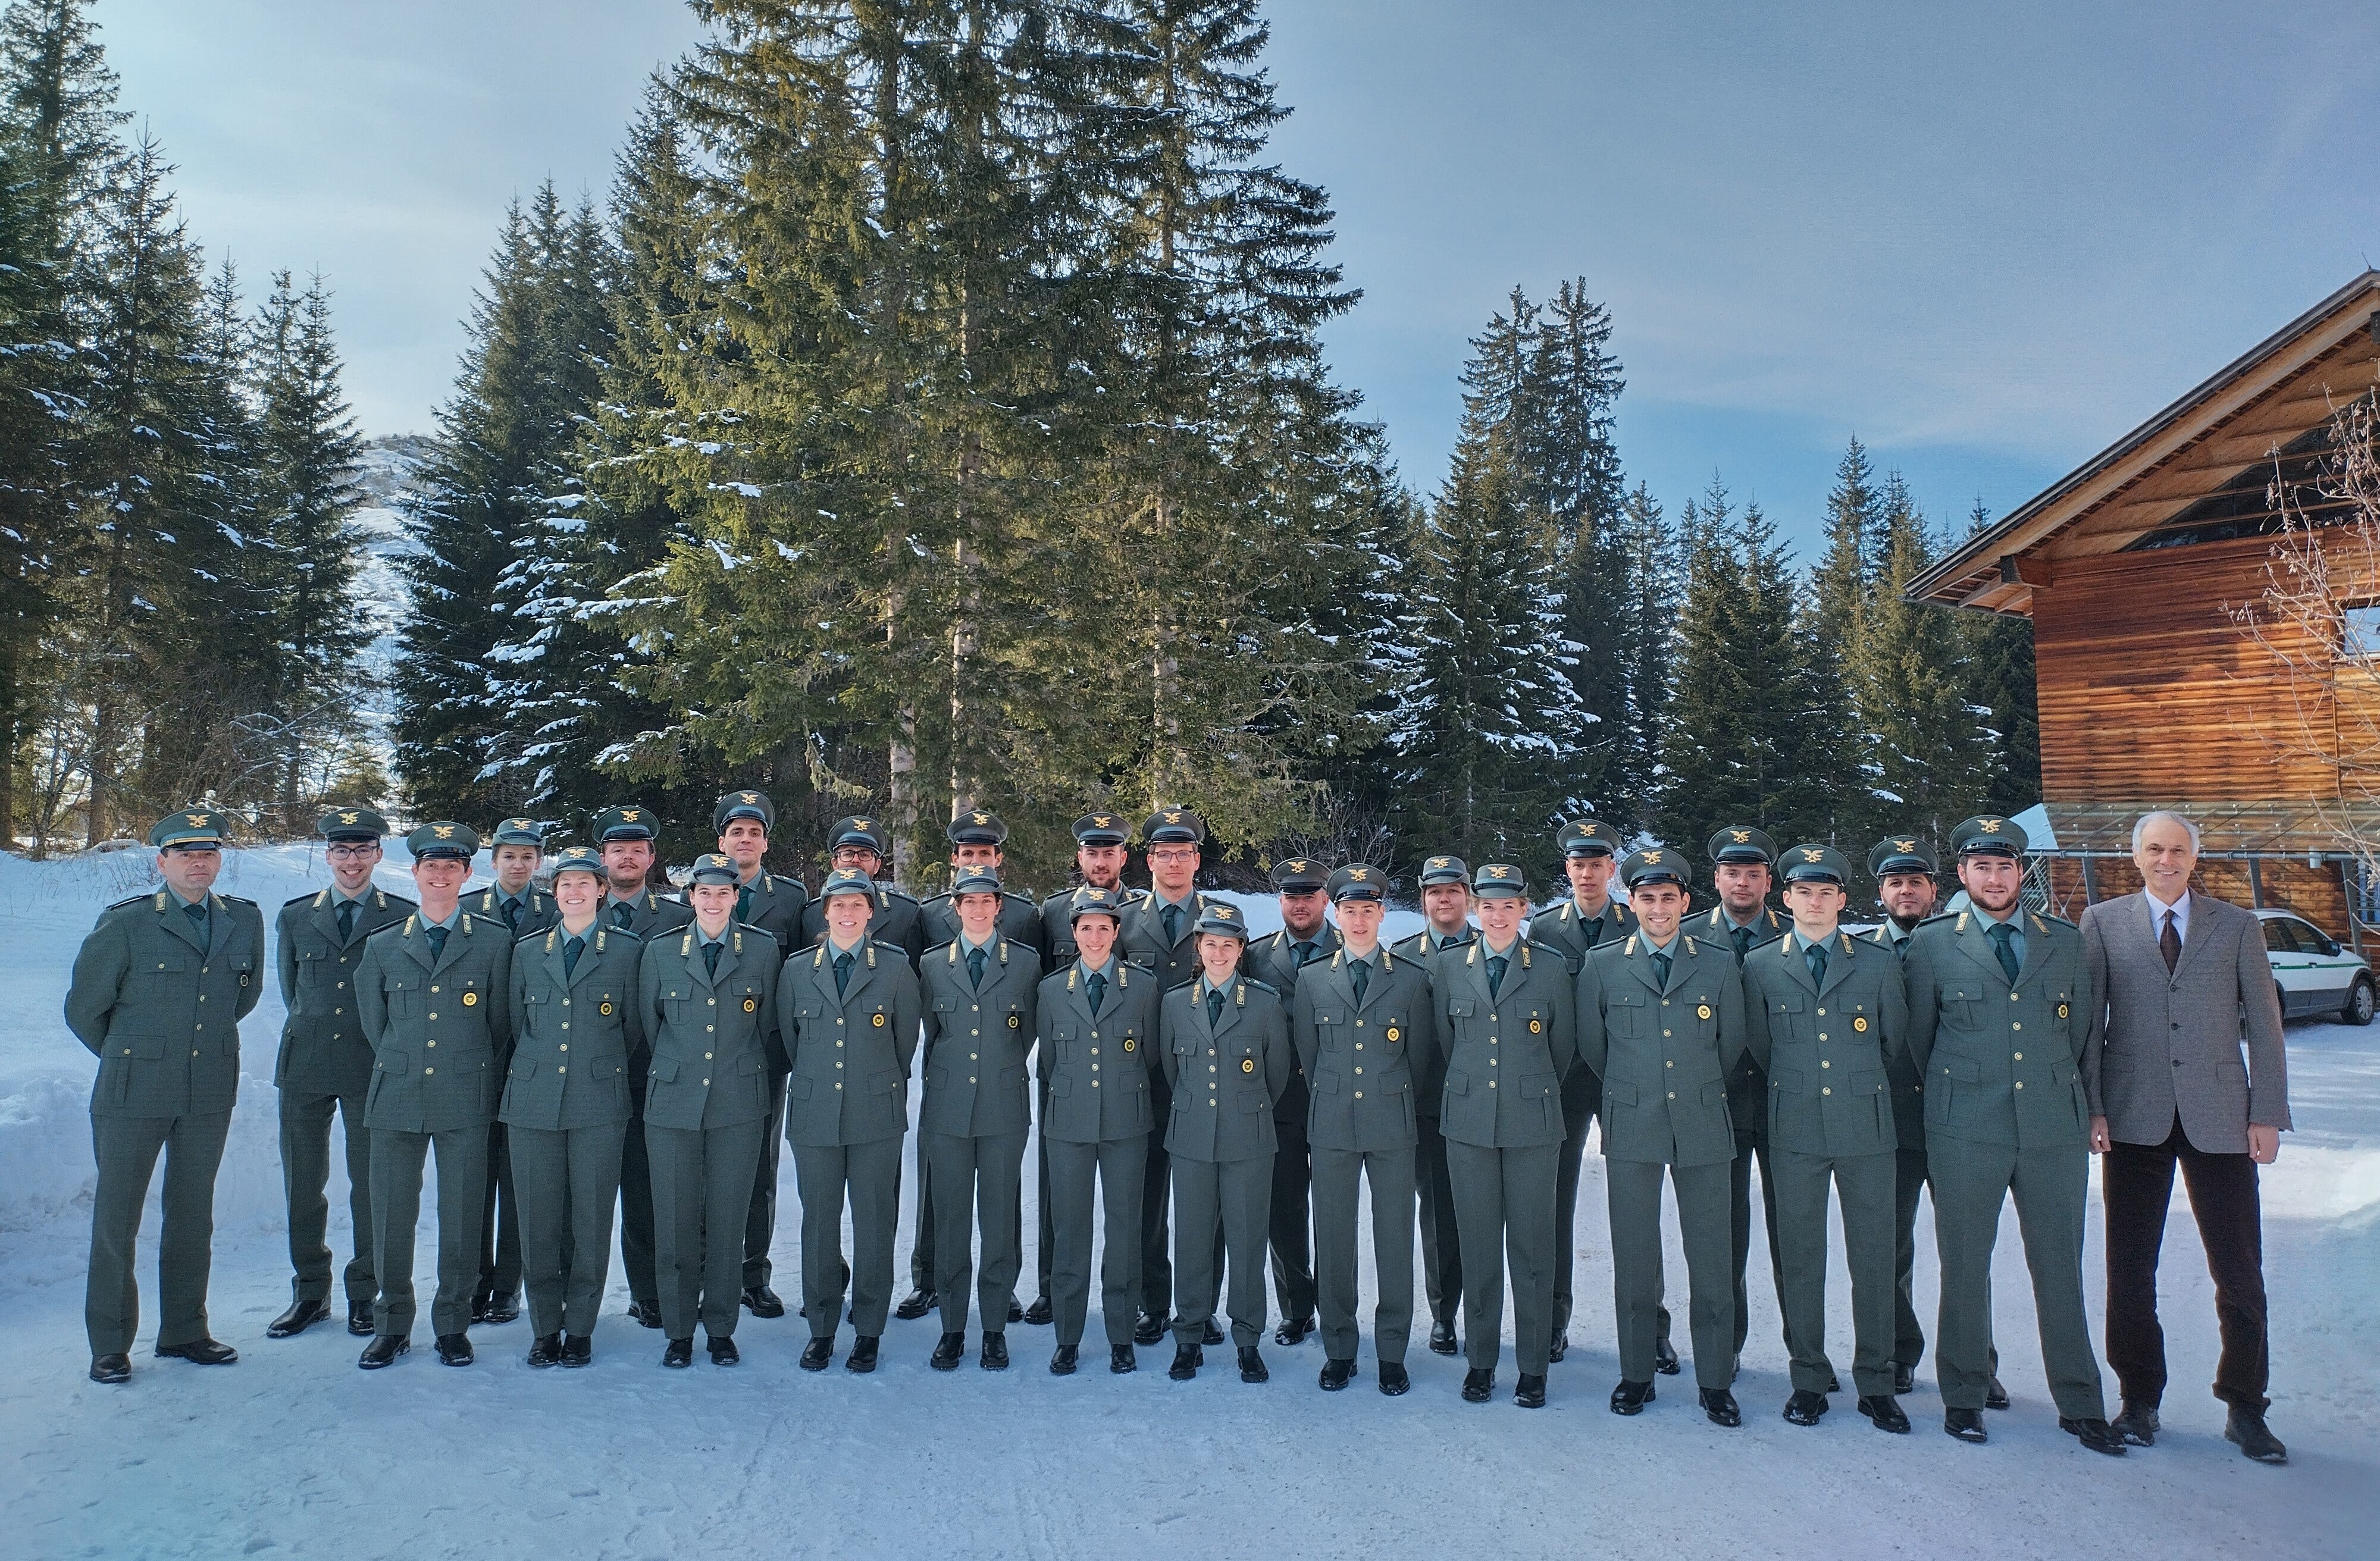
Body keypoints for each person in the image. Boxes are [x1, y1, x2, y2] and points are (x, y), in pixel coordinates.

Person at [1903, 816, 2124, 1454]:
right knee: (1965, 1264)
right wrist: (1960, 1090)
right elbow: (1921, 1039)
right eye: (1981, 867)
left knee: (2060, 1264)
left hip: (2052, 1126)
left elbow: (2083, 1033)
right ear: (1962, 875)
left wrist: (2087, 1110)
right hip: (1965, 1125)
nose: (1994, 878)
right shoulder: (1933, 944)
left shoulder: (2063, 939)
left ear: (2020, 873)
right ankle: (1964, 1394)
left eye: (2004, 867)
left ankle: (2080, 1402)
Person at [2081, 811, 2290, 1464]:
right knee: (2130, 1268)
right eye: (2153, 848)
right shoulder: (2103, 922)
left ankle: (2245, 1404)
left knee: (2238, 1269)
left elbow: (2265, 1021)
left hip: (2221, 1116)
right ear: (2134, 855)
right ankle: (2138, 1398)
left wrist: (2267, 1112)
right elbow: (2091, 1023)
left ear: (2194, 858)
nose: (2165, 859)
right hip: (2133, 1114)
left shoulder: (2235, 926)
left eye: (2177, 849)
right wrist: (2092, 1106)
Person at [67, 809, 264, 1384]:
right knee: (117, 1218)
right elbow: (84, 1008)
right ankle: (109, 1342)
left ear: (219, 859)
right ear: (162, 862)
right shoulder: (127, 924)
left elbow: (241, 999)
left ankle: (184, 1330)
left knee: (192, 1214)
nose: (197, 863)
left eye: (207, 853)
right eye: (184, 854)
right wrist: (134, 1054)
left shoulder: (243, 920)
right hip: (133, 1091)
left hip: (207, 1089)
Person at [1741, 845, 1910, 1433]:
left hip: (1865, 1125)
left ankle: (1876, 1382)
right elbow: (1761, 1048)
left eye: (1826, 892)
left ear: (1843, 899)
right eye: (1802, 891)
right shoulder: (1761, 965)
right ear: (1784, 898)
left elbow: (1892, 1043)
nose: (1814, 901)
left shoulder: (1876, 963)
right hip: (1795, 1127)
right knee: (1802, 1255)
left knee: (1874, 1255)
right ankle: (1808, 1378)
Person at [1577, 847, 1745, 1427]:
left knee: (1711, 1257)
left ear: (1684, 902)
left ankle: (1715, 1379)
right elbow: (1594, 1047)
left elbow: (1732, 1044)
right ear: (1631, 902)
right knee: (1634, 1255)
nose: (1656, 907)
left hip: (1701, 1122)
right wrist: (1637, 1088)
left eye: (1667, 897)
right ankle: (1636, 1372)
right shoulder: (1602, 965)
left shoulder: (1718, 963)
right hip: (1632, 1123)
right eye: (1645, 897)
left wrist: (1690, 1088)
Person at [352, 823, 511, 1369]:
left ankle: (452, 1325)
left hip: (465, 1094)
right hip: (396, 1094)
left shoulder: (493, 942)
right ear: (414, 873)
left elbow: (500, 1025)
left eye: (452, 868)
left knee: (464, 1214)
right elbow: (377, 1026)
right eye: (430, 867)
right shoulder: (381, 946)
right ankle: (392, 1323)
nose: (440, 876)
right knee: (391, 1213)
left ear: (469, 874)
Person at [268, 805, 413, 1341]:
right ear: (328, 856)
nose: (351, 861)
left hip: (369, 1064)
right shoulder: (295, 915)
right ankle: (310, 1290)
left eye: (362, 850)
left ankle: (364, 1291)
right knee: (303, 1185)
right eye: (341, 851)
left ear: (377, 855)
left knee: (370, 1187)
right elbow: (292, 991)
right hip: (305, 1063)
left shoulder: (400, 916)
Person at [1436, 863, 1577, 1409]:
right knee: (1477, 1247)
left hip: (1532, 1124)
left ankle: (1534, 1366)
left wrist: (1527, 1089)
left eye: (1508, 906)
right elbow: (1446, 1042)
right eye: (1488, 906)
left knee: (1532, 1246)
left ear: (1525, 911)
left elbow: (1561, 1048)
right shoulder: (1451, 966)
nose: (1497, 916)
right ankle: (1481, 1362)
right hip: (1468, 1123)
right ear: (1475, 909)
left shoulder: (1549, 967)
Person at [1864, 833, 1998, 1404]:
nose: (1906, 891)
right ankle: (1897, 1351)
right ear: (1880, 893)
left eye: (1916, 881)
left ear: (1935, 890)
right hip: (1889, 1124)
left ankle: (1975, 1363)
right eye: (1895, 882)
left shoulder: (1968, 947)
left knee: (1967, 1253)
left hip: (1960, 1120)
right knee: (1888, 1248)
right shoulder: (1862, 956)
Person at [1294, 866, 1438, 1396]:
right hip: (1331, 1123)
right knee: (1333, 1238)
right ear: (1336, 914)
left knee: (1394, 1238)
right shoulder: (1312, 979)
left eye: (1368, 911)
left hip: (1391, 1124)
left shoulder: (1411, 977)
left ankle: (1393, 1351)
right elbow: (1309, 1055)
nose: (1358, 920)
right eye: (1349, 911)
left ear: (1383, 914)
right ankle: (1339, 1348)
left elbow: (1418, 1059)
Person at [503, 845, 649, 1368]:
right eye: (565, 884)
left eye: (585, 884)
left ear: (602, 890)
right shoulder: (526, 952)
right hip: (534, 1102)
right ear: (554, 891)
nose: (574, 892)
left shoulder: (628, 951)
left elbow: (634, 1027)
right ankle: (545, 1326)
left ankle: (581, 1326)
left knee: (590, 1218)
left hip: (598, 1101)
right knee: (538, 1217)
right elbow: (514, 1025)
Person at [638, 853, 785, 1369]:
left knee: (727, 1220)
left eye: (725, 893)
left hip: (738, 1104)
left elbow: (770, 1028)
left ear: (736, 898)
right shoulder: (659, 953)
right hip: (674, 1101)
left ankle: (721, 1328)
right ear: (691, 896)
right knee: (675, 1219)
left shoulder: (763, 951)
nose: (714, 901)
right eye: (705, 892)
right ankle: (679, 1331)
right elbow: (650, 1026)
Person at [780, 868, 923, 1374]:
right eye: (838, 906)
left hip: (874, 1114)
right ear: (826, 913)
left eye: (857, 906)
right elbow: (790, 1040)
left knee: (874, 1224)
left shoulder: (895, 968)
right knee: (818, 1224)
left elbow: (904, 1045)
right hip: (816, 1113)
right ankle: (821, 1327)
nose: (847, 914)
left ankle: (868, 1330)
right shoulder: (797, 970)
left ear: (870, 914)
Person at [906, 810, 1039, 1326]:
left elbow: (1030, 1008)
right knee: (939, 1190)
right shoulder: (929, 916)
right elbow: (922, 999)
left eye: (986, 854)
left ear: (999, 860)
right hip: (949, 1074)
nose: (977, 862)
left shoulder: (1024, 918)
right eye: (968, 854)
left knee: (1000, 1195)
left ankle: (998, 1288)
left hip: (999, 1074)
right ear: (954, 860)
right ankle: (931, 1280)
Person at [1160, 902, 1291, 1383]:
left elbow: (1275, 1077)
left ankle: (1247, 1339)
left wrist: (1241, 1110)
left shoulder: (1264, 1003)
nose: (1219, 952)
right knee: (1192, 1240)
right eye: (1210, 943)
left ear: (1241, 950)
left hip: (1248, 1139)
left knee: (1247, 1241)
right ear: (1199, 947)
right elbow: (1172, 1071)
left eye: (1228, 944)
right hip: (1192, 1138)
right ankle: (1189, 1336)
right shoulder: (1175, 1003)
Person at [1526, 816, 1640, 1368]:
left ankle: (1649, 1328)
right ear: (1567, 870)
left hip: (1625, 1077)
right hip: (1565, 1081)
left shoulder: (1637, 921)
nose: (1587, 874)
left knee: (1636, 1207)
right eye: (1578, 865)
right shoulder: (1544, 931)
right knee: (1554, 1204)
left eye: (1597, 864)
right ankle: (1552, 1318)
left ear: (1612, 869)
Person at [1028, 811, 1147, 1325]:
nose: (1100, 861)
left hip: (1130, 1069)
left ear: (1124, 856)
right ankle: (1055, 1292)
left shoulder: (1142, 909)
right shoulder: (1054, 910)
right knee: (1061, 1198)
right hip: (1068, 1071)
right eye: (1091, 853)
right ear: (1080, 858)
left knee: (1135, 1200)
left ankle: (1138, 1297)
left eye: (1110, 852)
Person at [1038, 888, 1160, 1375]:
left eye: (1104, 928)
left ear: (1117, 933)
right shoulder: (1051, 989)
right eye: (1085, 928)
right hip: (1069, 1124)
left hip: (1125, 1123)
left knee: (1124, 1230)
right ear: (1074, 933)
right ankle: (1067, 1335)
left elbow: (1150, 1055)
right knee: (1069, 1230)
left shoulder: (1143, 987)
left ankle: (1120, 1334)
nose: (1094, 937)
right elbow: (1049, 1057)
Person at [590, 803, 691, 1332]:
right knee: (581, 1190)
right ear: (602, 858)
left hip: (656, 1072)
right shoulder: (579, 910)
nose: (626, 857)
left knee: (649, 1188)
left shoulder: (680, 918)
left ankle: (648, 1291)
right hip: (589, 1072)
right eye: (616, 849)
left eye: (637, 849)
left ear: (651, 858)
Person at [707, 789, 805, 1324]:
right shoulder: (697, 893)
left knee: (759, 1170)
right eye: (736, 832)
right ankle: (706, 1273)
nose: (745, 840)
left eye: (754, 832)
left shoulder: (791, 900)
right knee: (702, 1167)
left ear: (765, 842)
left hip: (763, 1055)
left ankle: (752, 1273)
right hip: (704, 1053)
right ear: (722, 840)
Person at [1117, 805, 1212, 1344]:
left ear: (1197, 860)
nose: (1173, 861)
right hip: (1144, 1082)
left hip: (1206, 1083)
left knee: (1208, 1205)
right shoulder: (1123, 922)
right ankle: (1152, 1302)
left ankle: (1203, 1305)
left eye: (1183, 852)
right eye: (1163, 853)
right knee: (1146, 1202)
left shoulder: (1221, 920)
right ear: (1148, 860)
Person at [1240, 856, 1338, 1349]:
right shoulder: (1255, 958)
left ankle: (1338, 1308)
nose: (1300, 905)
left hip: (1339, 1100)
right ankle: (1297, 1307)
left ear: (1326, 900)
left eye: (1309, 896)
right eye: (1291, 896)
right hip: (1278, 1103)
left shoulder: (1353, 949)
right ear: (1280, 901)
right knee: (1285, 1209)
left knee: (1335, 1211)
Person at [1701, 826, 1788, 1372]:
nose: (1742, 882)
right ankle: (1724, 1349)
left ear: (1769, 883)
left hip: (1786, 1102)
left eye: (1753, 874)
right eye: (1733, 873)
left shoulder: (1797, 931)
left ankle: (1805, 1354)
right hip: (1718, 1106)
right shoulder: (1687, 936)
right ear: (1716, 880)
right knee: (1721, 1238)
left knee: (1794, 1238)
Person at [469, 816, 556, 1326]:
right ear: (493, 859)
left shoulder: (557, 909)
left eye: (528, 856)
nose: (519, 865)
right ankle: (476, 1280)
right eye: (509, 856)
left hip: (537, 1059)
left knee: (523, 1179)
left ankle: (509, 1284)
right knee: (476, 1178)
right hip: (478, 1058)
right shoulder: (465, 911)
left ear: (539, 861)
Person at [1391, 852, 1473, 1356]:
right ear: (1423, 900)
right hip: (1425, 1103)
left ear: (1468, 897)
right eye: (1434, 892)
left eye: (1453, 891)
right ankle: (1444, 1314)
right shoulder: (1402, 957)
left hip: (1484, 1102)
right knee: (1439, 1213)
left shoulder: (1496, 949)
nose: (1444, 900)